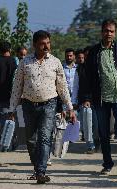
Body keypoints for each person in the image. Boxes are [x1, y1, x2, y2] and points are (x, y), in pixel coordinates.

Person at [9, 30, 76, 184]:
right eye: (42, 44)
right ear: (35, 45)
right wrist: (12, 109)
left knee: (45, 138)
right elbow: (17, 87)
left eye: (48, 43)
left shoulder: (55, 62)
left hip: (49, 104)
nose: (46, 46)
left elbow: (63, 87)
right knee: (31, 140)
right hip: (28, 105)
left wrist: (70, 108)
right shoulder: (25, 63)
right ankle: (37, 166)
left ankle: (41, 171)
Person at [83, 19, 117, 175]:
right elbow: (88, 77)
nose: (108, 34)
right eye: (106, 30)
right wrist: (86, 97)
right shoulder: (94, 52)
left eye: (111, 31)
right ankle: (107, 164)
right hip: (101, 98)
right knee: (104, 132)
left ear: (115, 33)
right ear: (101, 32)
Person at [0, 41, 17, 139]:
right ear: (9, 49)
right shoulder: (13, 61)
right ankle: (13, 138)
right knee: (13, 116)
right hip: (13, 94)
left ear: (0, 50)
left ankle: (5, 139)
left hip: (1, 94)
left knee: (2, 118)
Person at [76, 49, 99, 154]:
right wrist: (86, 99)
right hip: (87, 101)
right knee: (88, 124)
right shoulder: (81, 68)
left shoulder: (98, 66)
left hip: (100, 100)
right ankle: (91, 146)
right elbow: (82, 86)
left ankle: (97, 142)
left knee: (98, 124)